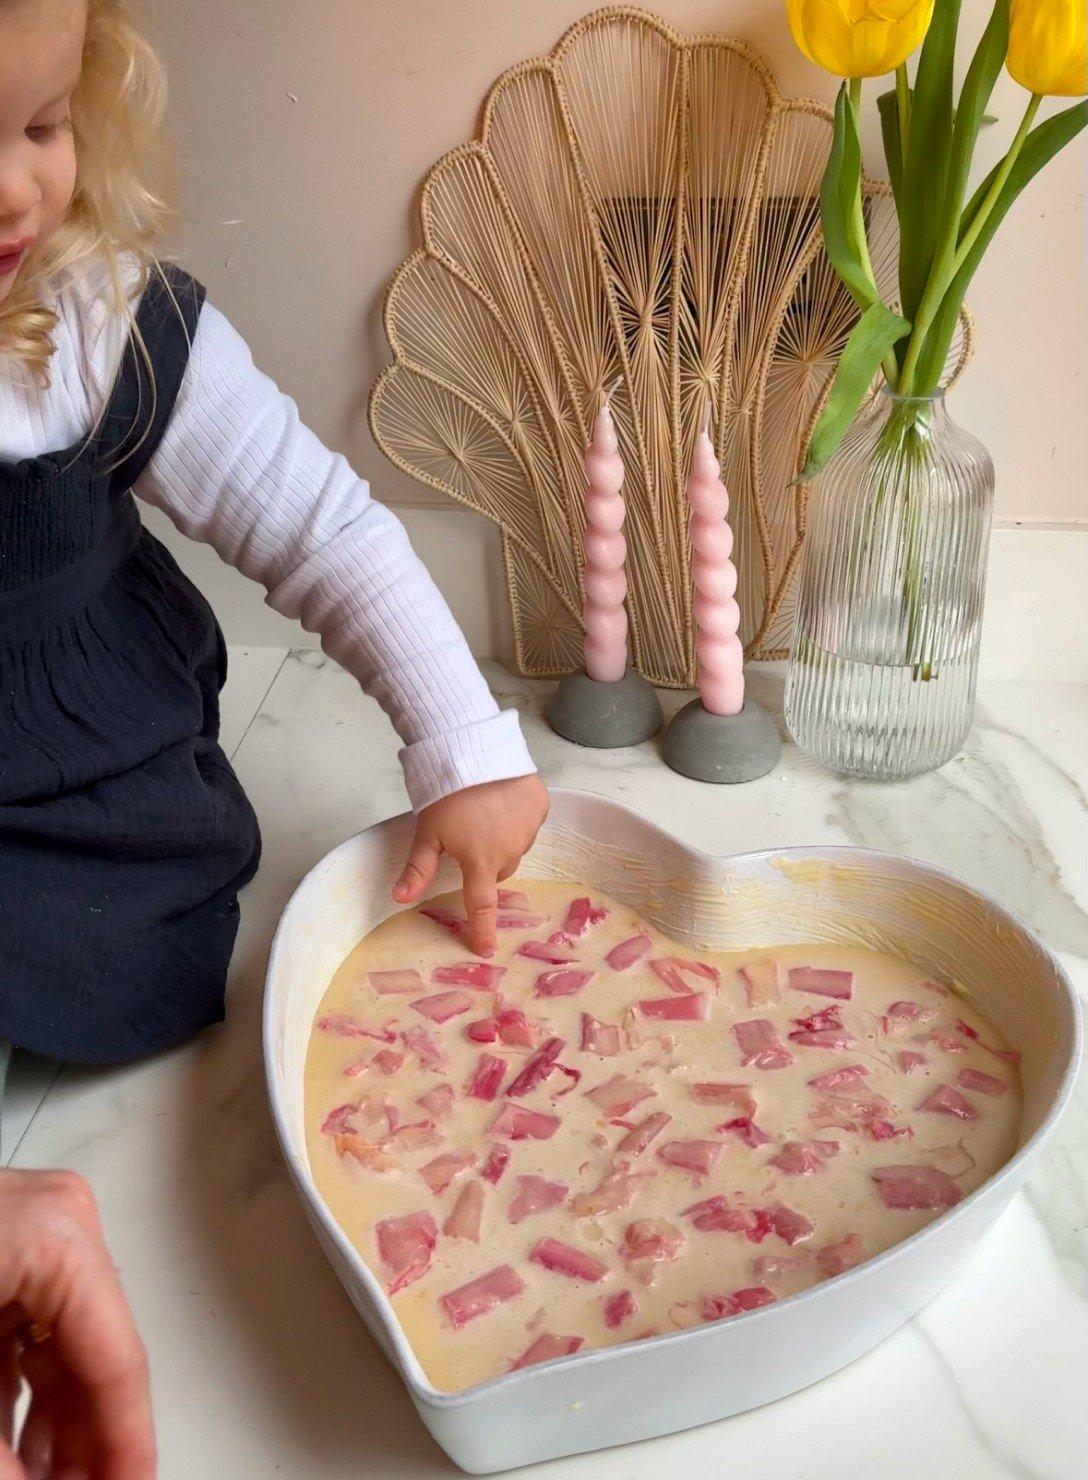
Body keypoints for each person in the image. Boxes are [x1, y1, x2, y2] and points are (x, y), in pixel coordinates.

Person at [0, 0, 548, 1469]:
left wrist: (463, 743)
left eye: (41, 126)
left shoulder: (98, 320)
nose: (12, 186)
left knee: (142, 946)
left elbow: (317, 524)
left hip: (101, 789)